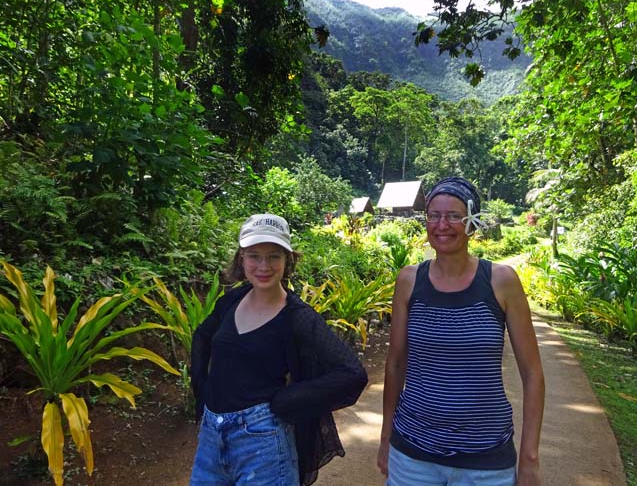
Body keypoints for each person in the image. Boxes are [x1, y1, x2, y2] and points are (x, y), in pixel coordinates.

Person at [377, 177, 545, 486]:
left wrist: (530, 458)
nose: (442, 225)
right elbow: (396, 364)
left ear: (471, 222)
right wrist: (386, 436)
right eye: (434, 215)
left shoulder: (501, 281)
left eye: (454, 215)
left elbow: (532, 372)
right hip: (413, 452)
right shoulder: (409, 280)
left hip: (486, 459)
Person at [190, 213, 368, 486]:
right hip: (212, 438)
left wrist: (286, 402)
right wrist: (204, 394)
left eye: (274, 256)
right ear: (242, 259)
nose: (264, 265)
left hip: (262, 443)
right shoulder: (232, 301)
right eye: (254, 256)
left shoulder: (297, 316)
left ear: (288, 260)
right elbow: (202, 337)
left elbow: (351, 373)